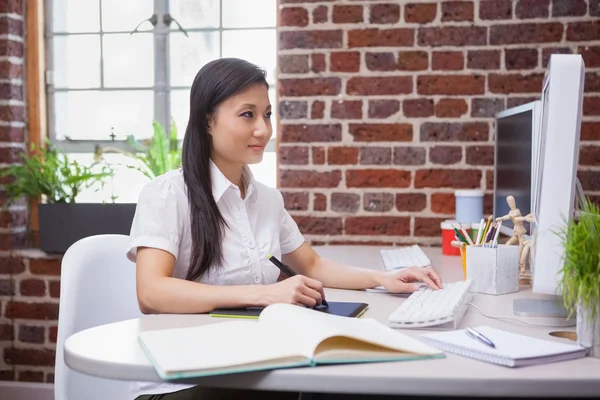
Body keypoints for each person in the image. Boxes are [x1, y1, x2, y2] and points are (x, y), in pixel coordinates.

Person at [126, 58, 443, 400]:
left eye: (267, 114)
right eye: (247, 114)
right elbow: (151, 292)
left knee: (357, 380)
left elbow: (312, 265)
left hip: (252, 364)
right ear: (208, 121)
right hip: (185, 379)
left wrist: (382, 279)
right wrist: (265, 295)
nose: (263, 129)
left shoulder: (267, 199)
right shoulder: (167, 193)